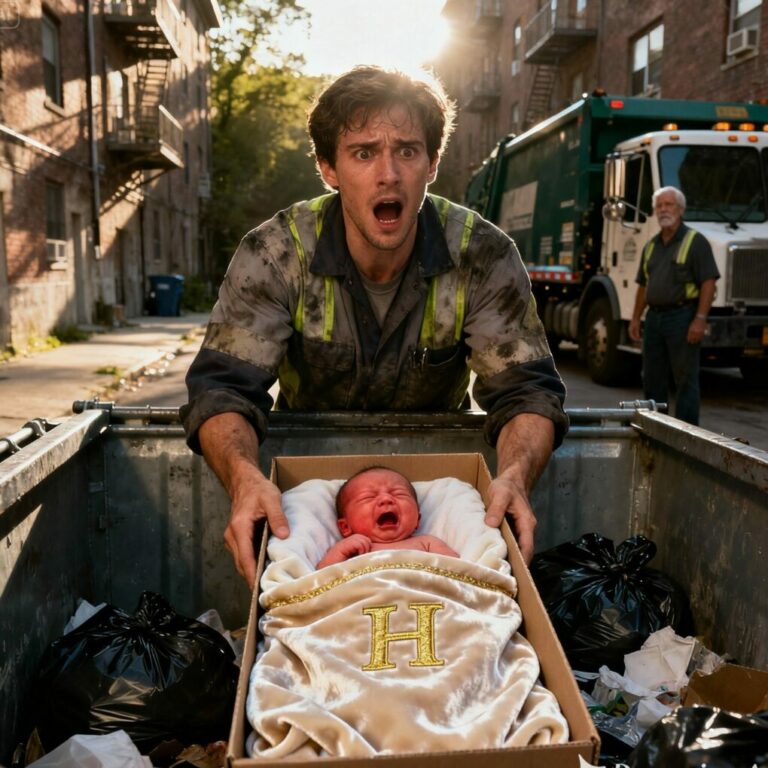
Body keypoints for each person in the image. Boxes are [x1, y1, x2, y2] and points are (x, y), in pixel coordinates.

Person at [181, 65, 568, 587]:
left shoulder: (482, 254)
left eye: (407, 151)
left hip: (432, 491)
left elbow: (527, 392)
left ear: (432, 163)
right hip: (311, 491)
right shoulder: (277, 253)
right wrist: (245, 480)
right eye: (364, 153)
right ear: (329, 168)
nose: (389, 174)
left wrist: (516, 478)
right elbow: (223, 388)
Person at [628, 186, 719, 425]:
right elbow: (643, 285)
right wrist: (636, 318)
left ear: (681, 209)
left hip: (683, 317)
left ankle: (686, 434)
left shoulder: (695, 242)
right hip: (654, 319)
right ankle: (656, 429)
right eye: (659, 206)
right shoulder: (651, 246)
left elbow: (709, 282)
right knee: (652, 378)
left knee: (685, 379)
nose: (663, 210)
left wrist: (700, 319)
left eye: (668, 204)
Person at [316, 467, 459, 568]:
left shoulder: (426, 543)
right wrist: (340, 551)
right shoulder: (348, 549)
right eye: (368, 497)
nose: (386, 499)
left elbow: (458, 569)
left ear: (417, 520)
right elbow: (321, 580)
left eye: (398, 493)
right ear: (345, 527)